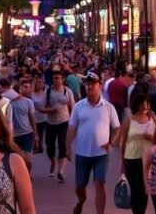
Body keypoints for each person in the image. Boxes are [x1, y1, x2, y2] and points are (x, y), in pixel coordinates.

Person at [66, 73, 120, 214]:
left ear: (99, 86)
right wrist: (67, 147)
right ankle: (81, 200)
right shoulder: (78, 106)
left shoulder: (108, 107)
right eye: (87, 84)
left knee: (99, 184)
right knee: (79, 187)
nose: (89, 86)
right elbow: (71, 128)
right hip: (83, 153)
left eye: (92, 84)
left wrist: (111, 142)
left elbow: (117, 128)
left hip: (101, 154)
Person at [119, 93, 156, 214]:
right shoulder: (129, 120)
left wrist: (151, 137)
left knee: (144, 189)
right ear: (137, 104)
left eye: (147, 103)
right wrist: (122, 162)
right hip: (132, 158)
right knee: (136, 189)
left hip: (149, 160)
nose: (145, 106)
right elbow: (123, 142)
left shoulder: (154, 120)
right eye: (142, 103)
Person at [39, 70, 74, 182]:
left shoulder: (67, 91)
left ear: (62, 79)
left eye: (58, 78)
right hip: (50, 122)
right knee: (50, 146)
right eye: (55, 78)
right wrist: (51, 110)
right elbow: (41, 108)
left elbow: (72, 107)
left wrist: (73, 122)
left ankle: (61, 171)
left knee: (62, 145)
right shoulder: (48, 92)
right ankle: (53, 161)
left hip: (64, 121)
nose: (57, 80)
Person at [6, 78, 37, 161]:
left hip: (27, 133)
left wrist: (36, 134)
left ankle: (27, 174)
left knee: (27, 158)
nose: (26, 89)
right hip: (14, 135)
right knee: (15, 158)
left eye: (28, 87)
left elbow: (32, 119)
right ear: (19, 87)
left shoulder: (29, 102)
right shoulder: (9, 101)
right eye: (24, 87)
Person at [31, 78, 48, 155]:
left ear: (43, 84)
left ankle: (39, 147)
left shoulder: (45, 94)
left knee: (40, 133)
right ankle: (35, 146)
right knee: (34, 132)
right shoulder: (31, 94)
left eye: (40, 83)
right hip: (33, 116)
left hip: (43, 117)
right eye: (37, 83)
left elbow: (48, 105)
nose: (38, 84)